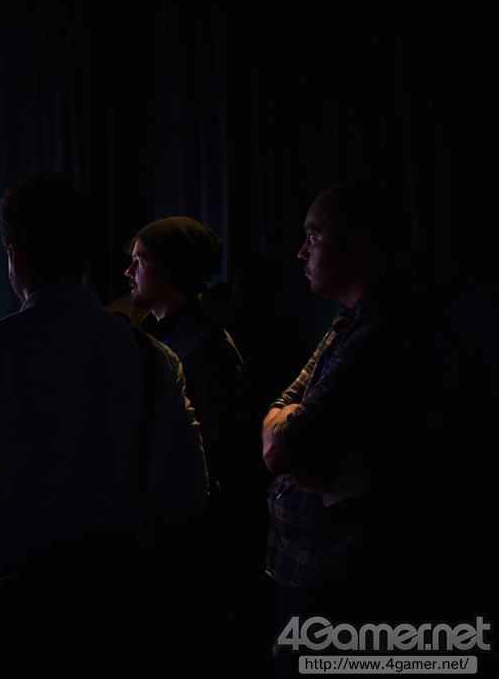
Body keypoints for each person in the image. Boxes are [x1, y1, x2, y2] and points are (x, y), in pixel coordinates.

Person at [0, 172, 208, 677]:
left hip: (15, 609)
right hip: (116, 610)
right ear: (84, 257)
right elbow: (189, 495)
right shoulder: (156, 359)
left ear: (15, 257)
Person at [262, 179, 465, 678]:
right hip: (320, 571)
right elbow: (282, 407)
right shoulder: (350, 322)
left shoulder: (388, 331)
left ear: (356, 243)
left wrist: (288, 430)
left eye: (314, 236)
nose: (301, 251)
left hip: (346, 582)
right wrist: (287, 424)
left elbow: (284, 448)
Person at [124, 217, 267, 674]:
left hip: (188, 546)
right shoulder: (157, 334)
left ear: (167, 270)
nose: (128, 271)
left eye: (139, 261)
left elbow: (219, 453)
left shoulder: (208, 347)